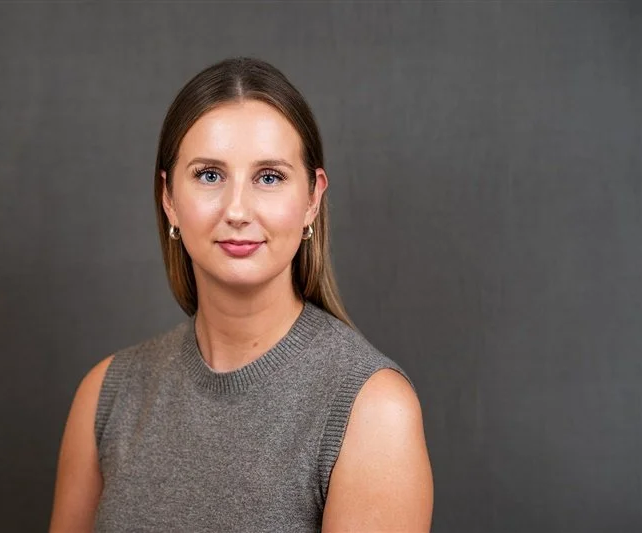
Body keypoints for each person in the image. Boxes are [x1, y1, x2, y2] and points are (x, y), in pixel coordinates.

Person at [49, 57, 433, 532]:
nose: (236, 210)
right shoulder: (107, 395)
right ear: (169, 198)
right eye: (209, 175)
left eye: (269, 177)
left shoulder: (372, 410)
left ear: (312, 199)